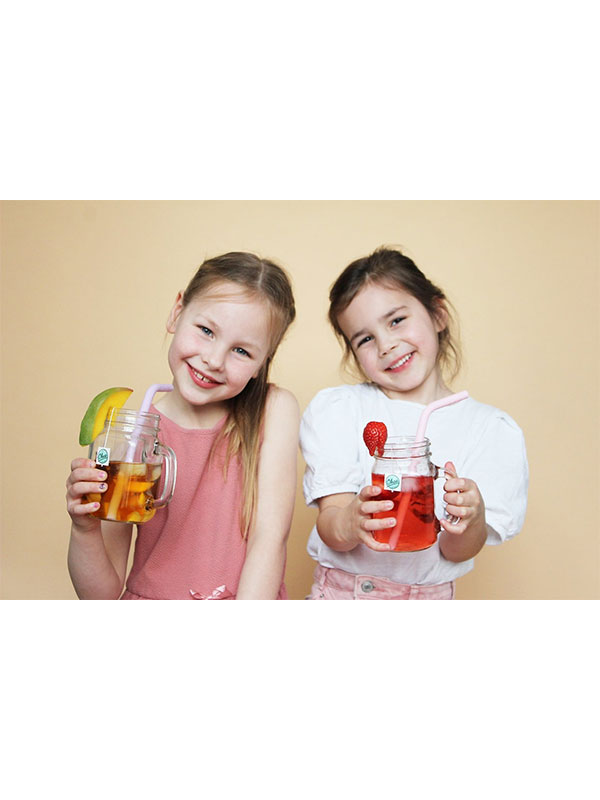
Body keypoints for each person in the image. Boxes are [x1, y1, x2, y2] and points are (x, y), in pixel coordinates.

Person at [66, 252, 299, 599]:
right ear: (177, 312)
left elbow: (270, 538)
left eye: (242, 351)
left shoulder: (275, 409)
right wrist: (85, 529)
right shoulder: (130, 438)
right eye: (206, 330)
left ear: (264, 361)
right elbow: (99, 596)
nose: (214, 360)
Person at [300, 246, 528, 599]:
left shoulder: (487, 430)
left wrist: (470, 520)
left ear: (437, 314)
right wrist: (349, 522)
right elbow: (331, 523)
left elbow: (457, 551)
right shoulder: (342, 411)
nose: (387, 345)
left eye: (396, 320)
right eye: (365, 339)